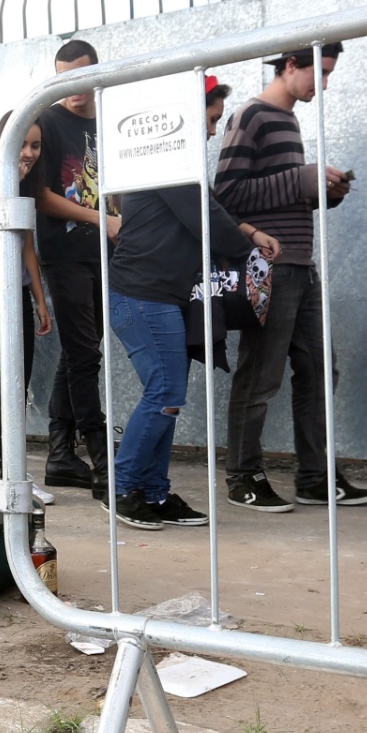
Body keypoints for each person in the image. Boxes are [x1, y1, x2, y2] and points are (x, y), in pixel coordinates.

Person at [105, 78, 281, 530]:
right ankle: (123, 487)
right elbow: (210, 221)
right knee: (165, 393)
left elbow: (213, 211)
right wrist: (249, 250)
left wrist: (249, 235)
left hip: (156, 296)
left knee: (167, 396)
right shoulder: (168, 165)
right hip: (143, 296)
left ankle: (154, 493)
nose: (211, 131)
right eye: (209, 120)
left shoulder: (171, 167)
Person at [214, 43, 367, 512]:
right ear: (289, 66)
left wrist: (327, 192)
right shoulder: (251, 116)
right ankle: (243, 475)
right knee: (260, 376)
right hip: (271, 268)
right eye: (318, 73)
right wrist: (304, 179)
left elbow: (281, 196)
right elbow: (226, 195)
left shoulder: (289, 120)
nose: (322, 84)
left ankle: (316, 477)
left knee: (321, 371)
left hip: (301, 266)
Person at [31, 38, 116, 492]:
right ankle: (102, 459)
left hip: (105, 250)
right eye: (62, 79)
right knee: (84, 354)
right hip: (64, 251)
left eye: (80, 77)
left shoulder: (109, 121)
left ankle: (61, 454)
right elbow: (42, 195)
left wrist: (117, 219)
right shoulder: (48, 118)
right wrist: (104, 219)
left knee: (81, 350)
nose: (72, 89)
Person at [0, 110, 54, 399]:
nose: (27, 153)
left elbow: (26, 244)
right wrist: (8, 191)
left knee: (18, 381)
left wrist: (40, 300)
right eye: (21, 144)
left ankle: (9, 446)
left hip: (17, 294)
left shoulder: (26, 183)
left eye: (35, 146)